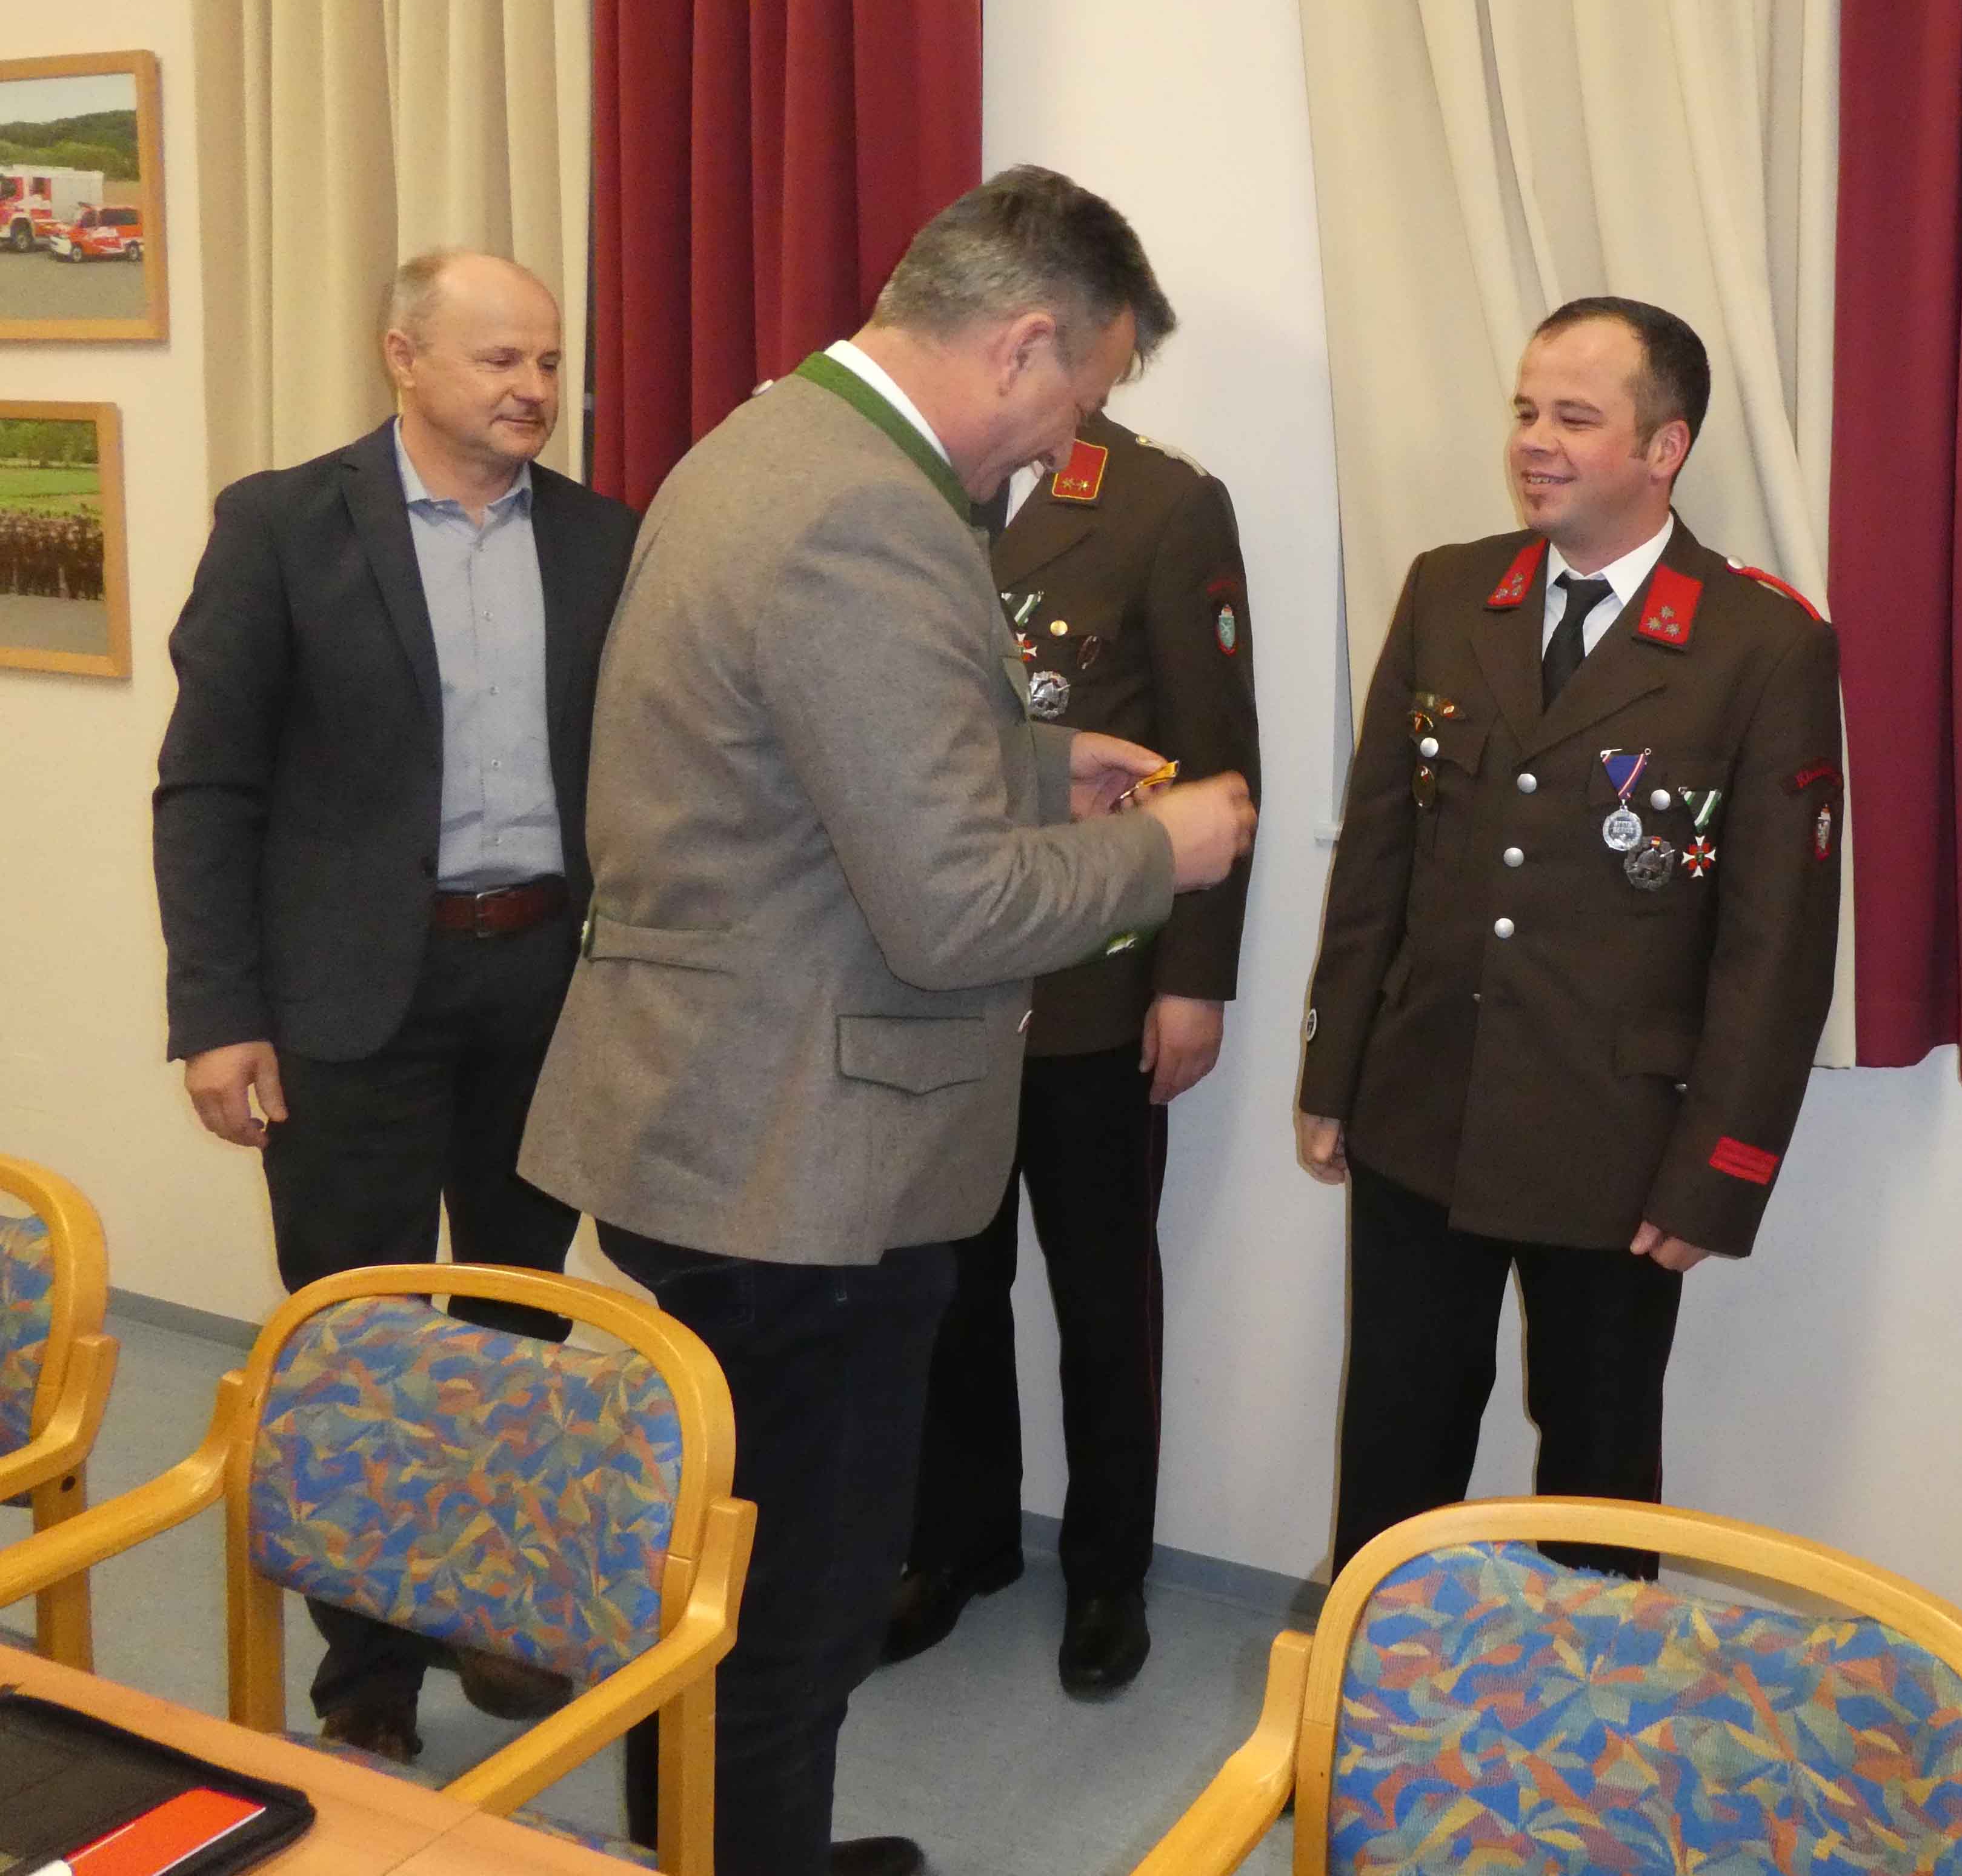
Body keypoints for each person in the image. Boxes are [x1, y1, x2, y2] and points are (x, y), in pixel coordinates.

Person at [517, 168, 1256, 1876]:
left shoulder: (768, 444)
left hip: (716, 1110)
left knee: (733, 1581)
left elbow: (795, 763)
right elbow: (955, 914)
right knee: (793, 1617)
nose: (1066, 439)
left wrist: (1031, 767)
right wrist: (1165, 847)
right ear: (1019, 346)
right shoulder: (873, 516)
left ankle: (732, 1852)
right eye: (1079, 397)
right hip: (801, 1164)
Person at [151, 249, 634, 1759]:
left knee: (516, 1316)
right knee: (354, 1329)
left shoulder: (604, 541)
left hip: (541, 985)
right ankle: (365, 1665)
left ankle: (491, 1606)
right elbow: (209, 788)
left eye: (548, 362)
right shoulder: (283, 526)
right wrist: (217, 1013)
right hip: (348, 994)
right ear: (403, 358)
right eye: (500, 360)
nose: (534, 390)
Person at [1295, 296, 1842, 1577]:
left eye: (1575, 418)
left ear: (1665, 449)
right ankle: (1367, 1689)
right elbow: (1378, 858)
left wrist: (1722, 1170)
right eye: (1527, 411)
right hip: (1424, 1107)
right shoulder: (1449, 592)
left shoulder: (1762, 644)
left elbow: (1777, 945)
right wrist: (1335, 1074)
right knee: (1394, 1445)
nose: (1535, 442)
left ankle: (1594, 1703)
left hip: (1619, 1145)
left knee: (1598, 1476)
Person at [885, 416, 1260, 1692]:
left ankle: (1106, 1573)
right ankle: (959, 1541)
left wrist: (1194, 978)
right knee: (944, 1287)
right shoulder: (911, 475)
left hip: (1091, 988)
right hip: (935, 977)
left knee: (1103, 1300)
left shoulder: (1161, 503)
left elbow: (1214, 762)